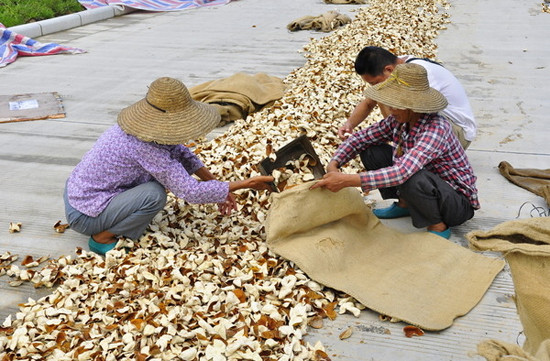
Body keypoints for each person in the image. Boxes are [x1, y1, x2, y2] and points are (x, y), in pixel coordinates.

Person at [64, 77, 274, 255]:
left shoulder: (140, 130)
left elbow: (182, 153)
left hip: (78, 194)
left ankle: (111, 220)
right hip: (85, 215)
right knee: (154, 193)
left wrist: (217, 185)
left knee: (157, 181)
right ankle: (102, 237)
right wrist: (246, 183)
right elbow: (190, 192)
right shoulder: (145, 147)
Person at [311, 63, 480, 239]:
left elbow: (402, 172)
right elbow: (360, 139)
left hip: (455, 203)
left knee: (414, 177)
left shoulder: (436, 129)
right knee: (372, 150)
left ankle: (437, 225)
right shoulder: (399, 120)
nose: (390, 109)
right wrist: (334, 163)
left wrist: (347, 181)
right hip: (429, 185)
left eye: (397, 104)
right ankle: (404, 205)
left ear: (414, 106)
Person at [338, 46, 476, 150]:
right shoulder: (398, 65)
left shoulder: (419, 73)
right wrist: (349, 124)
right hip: (435, 124)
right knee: (381, 93)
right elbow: (368, 103)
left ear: (389, 70)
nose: (375, 86)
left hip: (458, 132)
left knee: (385, 95)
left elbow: (411, 118)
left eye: (374, 82)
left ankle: (405, 150)